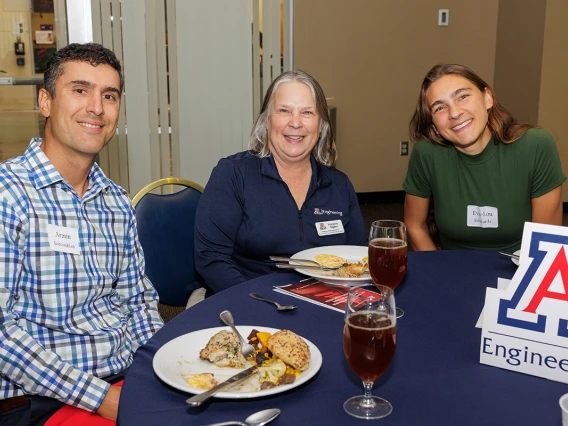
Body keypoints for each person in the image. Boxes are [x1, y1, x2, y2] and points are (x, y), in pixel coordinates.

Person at [0, 43, 164, 425]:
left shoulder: (116, 201)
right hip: (39, 399)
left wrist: (160, 369)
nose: (96, 107)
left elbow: (138, 302)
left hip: (124, 381)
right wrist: (105, 399)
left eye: (109, 95)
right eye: (80, 90)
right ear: (45, 101)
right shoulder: (8, 195)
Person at [195, 70, 367, 293]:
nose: (295, 123)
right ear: (266, 120)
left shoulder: (339, 185)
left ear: (321, 124)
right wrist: (259, 302)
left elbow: (359, 259)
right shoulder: (233, 174)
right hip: (249, 303)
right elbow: (211, 259)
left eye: (307, 112)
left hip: (325, 304)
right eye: (284, 111)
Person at [403, 63, 566, 251]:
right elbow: (415, 226)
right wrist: (438, 272)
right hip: (452, 270)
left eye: (463, 97)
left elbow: (546, 239)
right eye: (440, 108)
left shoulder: (535, 145)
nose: (454, 113)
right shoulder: (427, 154)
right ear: (434, 127)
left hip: (519, 272)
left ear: (488, 98)